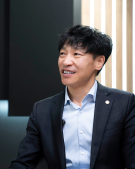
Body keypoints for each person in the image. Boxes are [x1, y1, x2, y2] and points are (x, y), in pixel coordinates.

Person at [10, 25, 135, 169]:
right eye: (63, 53)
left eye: (76, 54)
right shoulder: (42, 110)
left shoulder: (123, 103)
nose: (66, 61)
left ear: (99, 62)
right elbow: (23, 162)